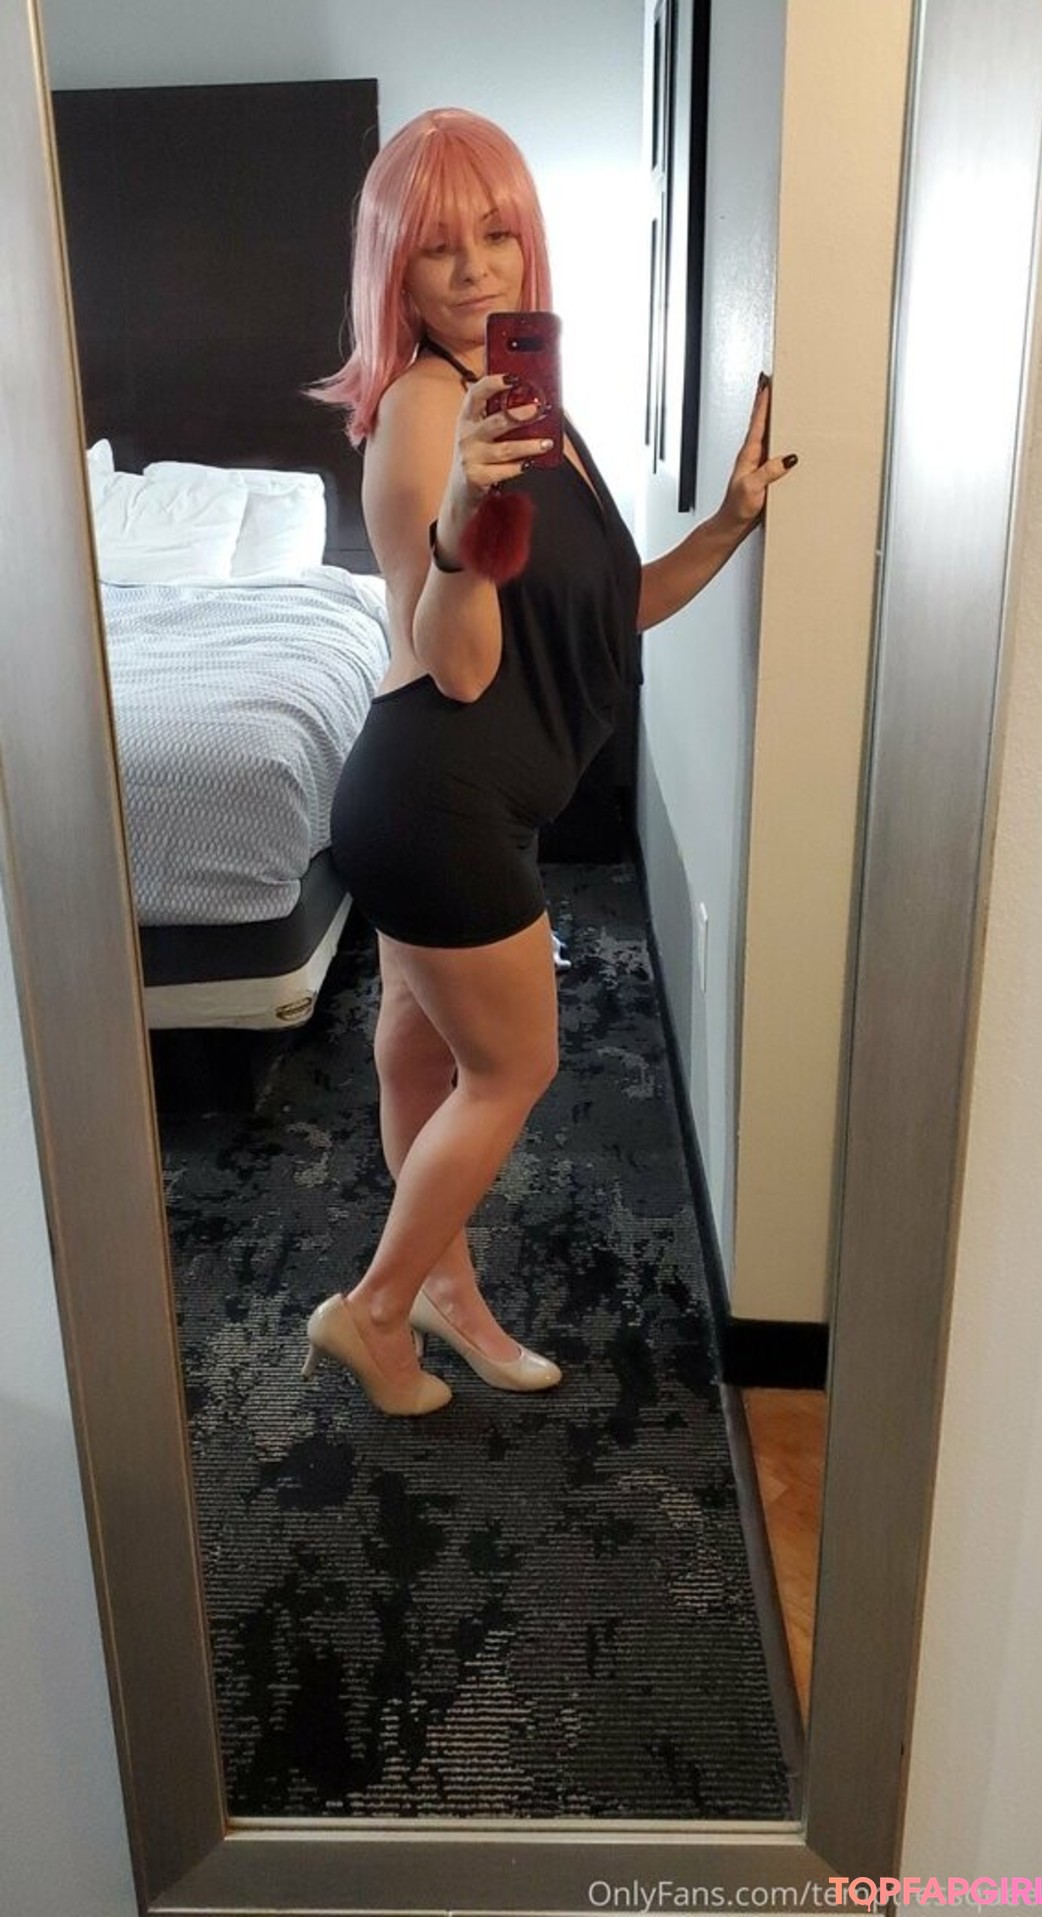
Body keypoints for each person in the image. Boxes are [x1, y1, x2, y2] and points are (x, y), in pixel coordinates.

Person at [305, 107, 797, 1416]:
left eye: (497, 233)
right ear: (393, 272)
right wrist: (464, 519)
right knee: (513, 1069)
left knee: (419, 1060)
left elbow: (605, 608)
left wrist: (730, 524)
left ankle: (447, 1301)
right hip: (439, 802)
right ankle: (374, 1312)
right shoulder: (425, 417)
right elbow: (459, 664)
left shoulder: (526, 407)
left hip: (444, 799)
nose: (475, 268)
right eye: (436, 247)